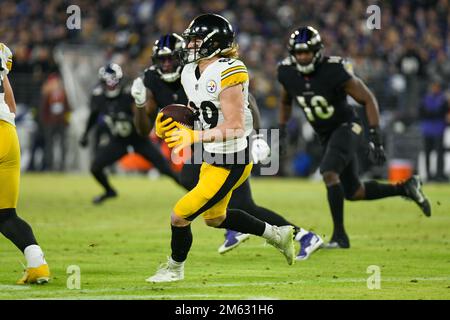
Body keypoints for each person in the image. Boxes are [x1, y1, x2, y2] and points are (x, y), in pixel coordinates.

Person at [132, 33, 322, 261]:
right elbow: (144, 131)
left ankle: (301, 235)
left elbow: (246, 101)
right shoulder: (155, 79)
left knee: (243, 204)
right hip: (205, 143)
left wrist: (258, 136)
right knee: (189, 178)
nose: (167, 64)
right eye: (162, 60)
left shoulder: (203, 68)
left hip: (231, 142)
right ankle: (232, 224)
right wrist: (140, 104)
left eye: (171, 58)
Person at [277, 27, 431, 249]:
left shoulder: (334, 70)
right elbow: (284, 101)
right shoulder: (286, 72)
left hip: (348, 126)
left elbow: (368, 99)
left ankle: (340, 237)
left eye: (307, 52)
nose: (302, 57)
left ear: (317, 51)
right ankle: (406, 188)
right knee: (354, 191)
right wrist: (282, 131)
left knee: (329, 172)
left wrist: (375, 137)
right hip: (326, 134)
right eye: (298, 53)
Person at [79, 63, 180, 204]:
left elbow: (143, 113)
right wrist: (85, 134)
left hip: (139, 139)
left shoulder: (129, 94)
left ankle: (193, 191)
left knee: (166, 169)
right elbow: (94, 115)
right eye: (108, 84)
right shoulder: (99, 97)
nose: (111, 87)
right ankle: (109, 190)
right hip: (118, 140)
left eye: (113, 83)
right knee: (95, 167)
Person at [0, 43, 50, 284]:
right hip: (8, 135)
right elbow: (12, 108)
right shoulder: (3, 72)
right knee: (6, 216)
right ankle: (37, 264)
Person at [419, 81, 449, 182]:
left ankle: (439, 174)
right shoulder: (427, 98)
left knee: (439, 152)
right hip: (428, 129)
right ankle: (428, 174)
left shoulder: (442, 99)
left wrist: (432, 113)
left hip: (438, 128)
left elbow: (442, 111)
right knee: (427, 152)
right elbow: (423, 112)